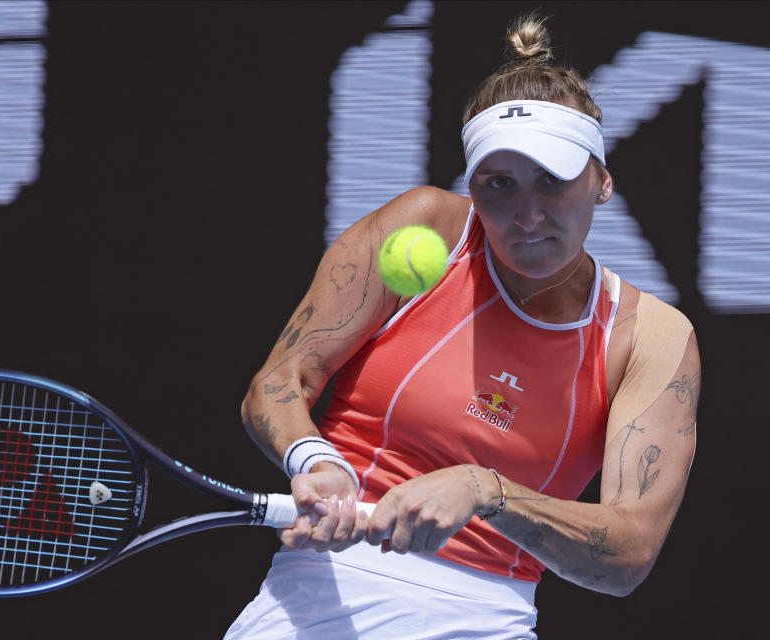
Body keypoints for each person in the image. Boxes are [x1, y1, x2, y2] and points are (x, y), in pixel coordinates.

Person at [226, 15, 698, 640]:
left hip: (485, 619)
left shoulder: (653, 336)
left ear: (602, 181)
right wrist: (316, 461)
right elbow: (279, 382)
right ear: (473, 187)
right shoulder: (425, 228)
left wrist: (487, 491)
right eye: (498, 185)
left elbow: (628, 556)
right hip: (321, 589)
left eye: (553, 182)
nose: (527, 215)